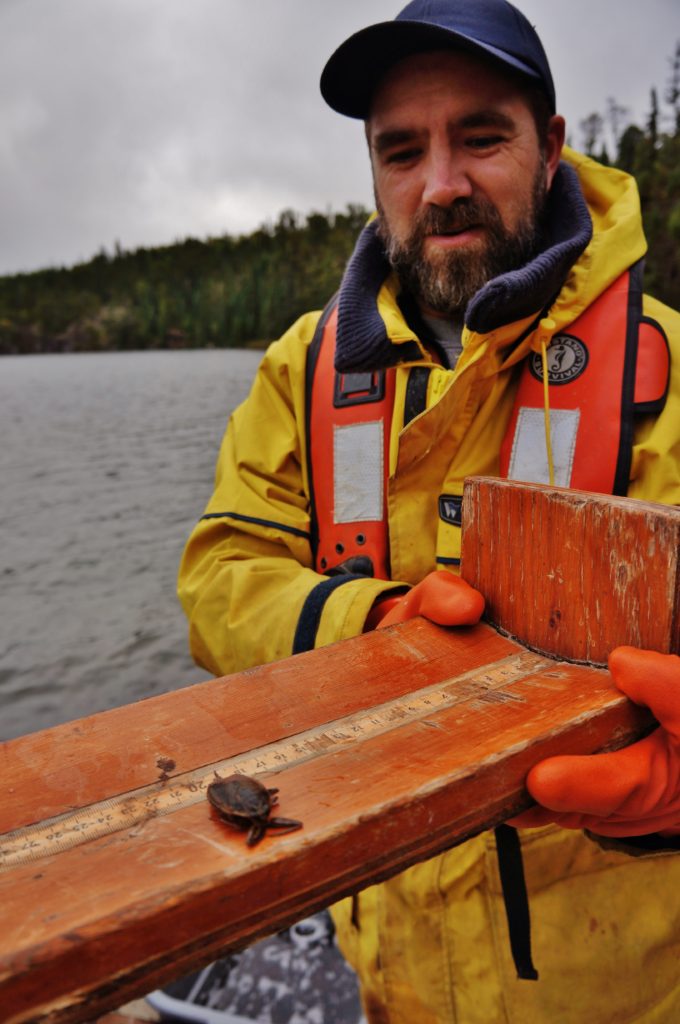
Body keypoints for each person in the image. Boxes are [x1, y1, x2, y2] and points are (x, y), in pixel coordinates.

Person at [178, 1, 680, 1020]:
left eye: (479, 137)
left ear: (549, 149)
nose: (438, 184)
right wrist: (369, 627)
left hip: (624, 982)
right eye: (400, 150)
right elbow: (220, 573)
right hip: (391, 969)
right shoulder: (299, 371)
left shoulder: (665, 370)